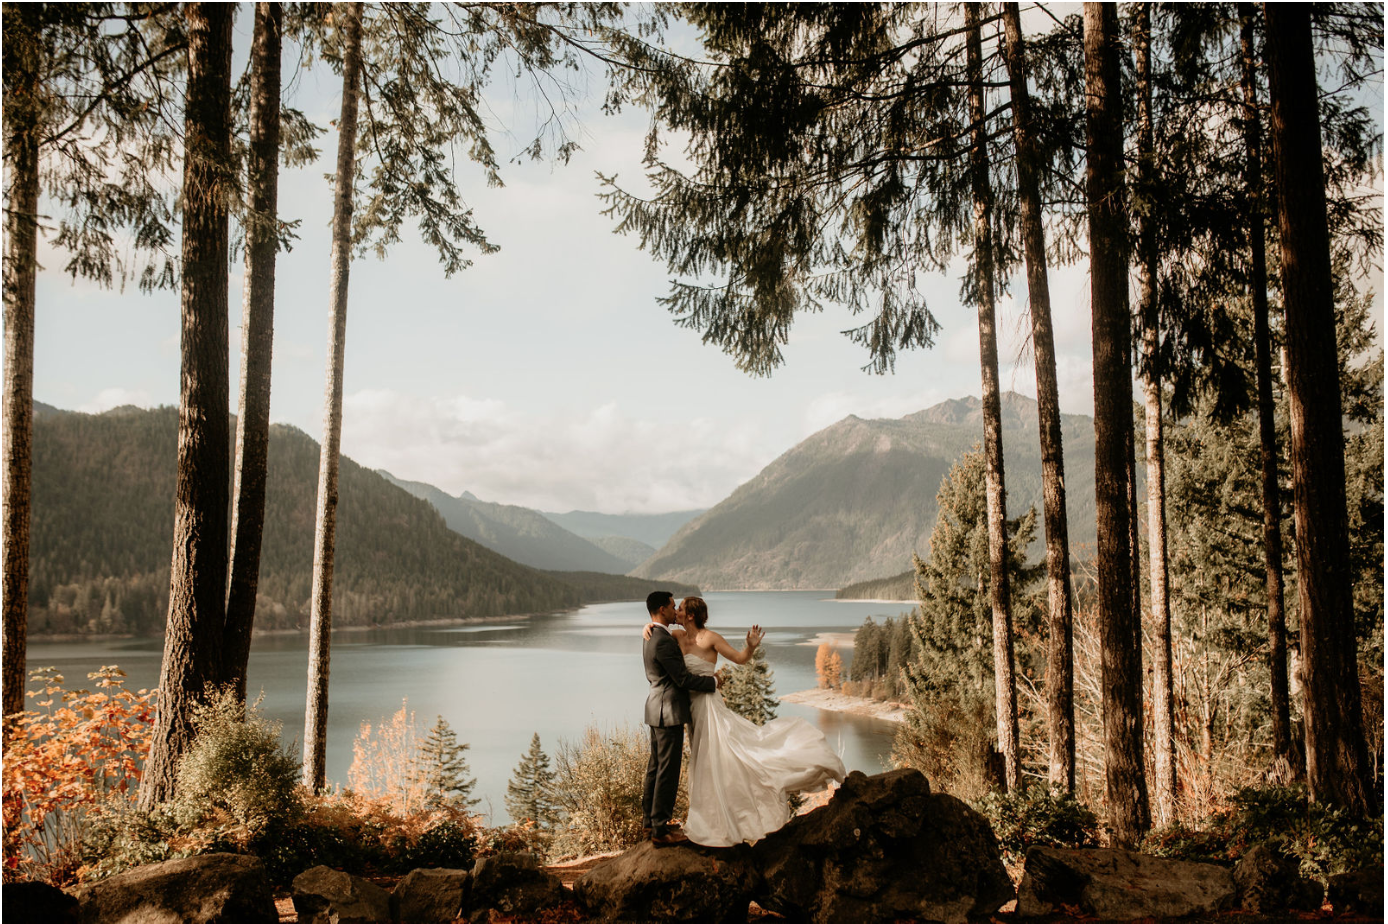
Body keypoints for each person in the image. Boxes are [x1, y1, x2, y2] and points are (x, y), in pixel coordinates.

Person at [646, 596, 846, 847]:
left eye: (681, 608)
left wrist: (750, 647)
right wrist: (646, 626)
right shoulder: (675, 636)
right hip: (689, 710)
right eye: (675, 608)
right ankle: (702, 816)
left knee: (717, 758)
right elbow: (656, 632)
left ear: (691, 615)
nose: (676, 611)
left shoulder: (711, 638)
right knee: (701, 759)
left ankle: (716, 821)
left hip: (708, 705)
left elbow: (740, 659)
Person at [641, 590, 720, 847]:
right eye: (673, 607)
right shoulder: (662, 639)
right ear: (662, 610)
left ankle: (649, 822)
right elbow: (682, 679)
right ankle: (660, 830)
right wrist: (714, 681)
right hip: (669, 711)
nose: (676, 611)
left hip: (656, 710)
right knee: (667, 770)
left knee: (655, 768)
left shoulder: (652, 633)